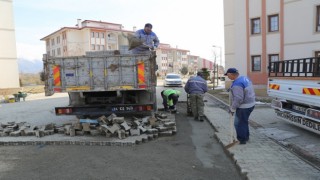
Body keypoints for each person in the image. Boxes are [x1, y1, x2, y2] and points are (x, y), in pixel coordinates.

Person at [225, 68, 255, 145]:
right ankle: (246, 137)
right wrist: (231, 89)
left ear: (232, 74)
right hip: (251, 103)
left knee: (238, 123)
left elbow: (238, 98)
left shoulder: (237, 84)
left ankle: (242, 140)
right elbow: (242, 89)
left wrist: (232, 108)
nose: (228, 77)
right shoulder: (244, 78)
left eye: (228, 75)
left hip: (244, 107)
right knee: (244, 121)